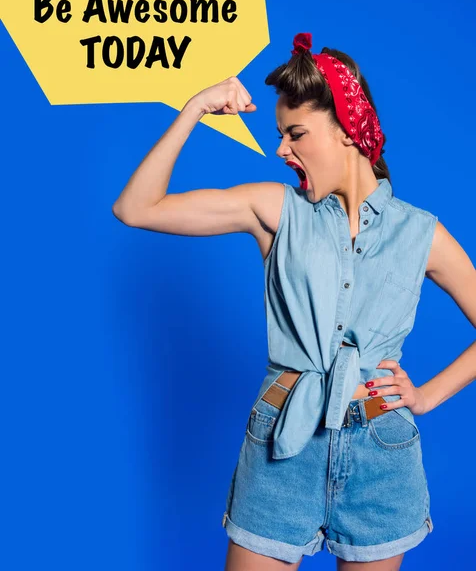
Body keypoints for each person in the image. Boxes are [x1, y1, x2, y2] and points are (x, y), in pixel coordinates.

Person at [112, 33, 476, 571]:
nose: (282, 149)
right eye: (281, 134)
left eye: (296, 133)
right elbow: (136, 208)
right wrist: (194, 108)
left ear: (347, 130)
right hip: (281, 445)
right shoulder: (275, 211)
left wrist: (424, 397)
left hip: (382, 452)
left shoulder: (421, 234)